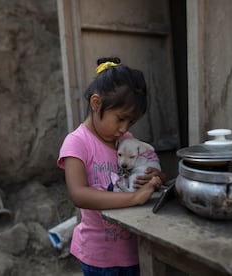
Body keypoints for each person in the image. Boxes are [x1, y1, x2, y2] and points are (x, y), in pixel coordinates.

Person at [57, 57, 166, 276]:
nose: (123, 128)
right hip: (100, 258)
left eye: (131, 122)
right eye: (120, 119)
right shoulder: (77, 142)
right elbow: (79, 194)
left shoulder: (126, 140)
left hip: (134, 250)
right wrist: (135, 198)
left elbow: (143, 169)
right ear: (96, 104)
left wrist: (154, 175)